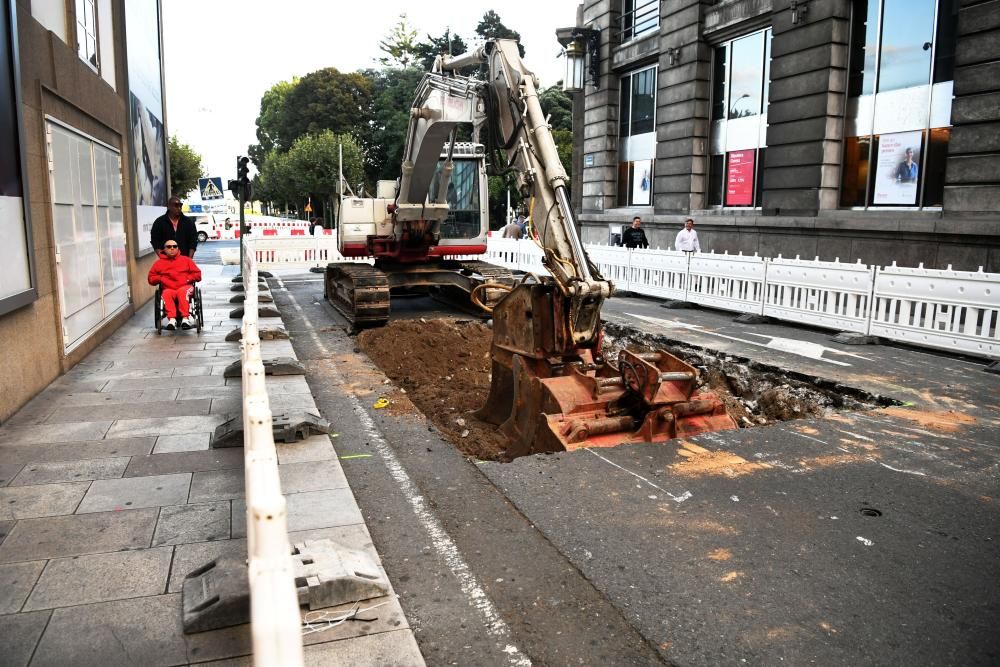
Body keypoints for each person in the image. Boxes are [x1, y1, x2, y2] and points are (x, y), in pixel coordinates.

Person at [148, 241, 202, 330]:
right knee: (166, 294)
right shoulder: (159, 263)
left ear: (178, 248)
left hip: (185, 286)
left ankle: (185, 319)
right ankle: (172, 320)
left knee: (182, 292)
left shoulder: (186, 260)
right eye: (168, 247)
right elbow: (151, 278)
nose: (172, 248)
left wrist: (187, 278)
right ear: (164, 249)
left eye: (174, 246)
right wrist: (160, 278)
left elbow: (198, 275)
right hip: (169, 288)